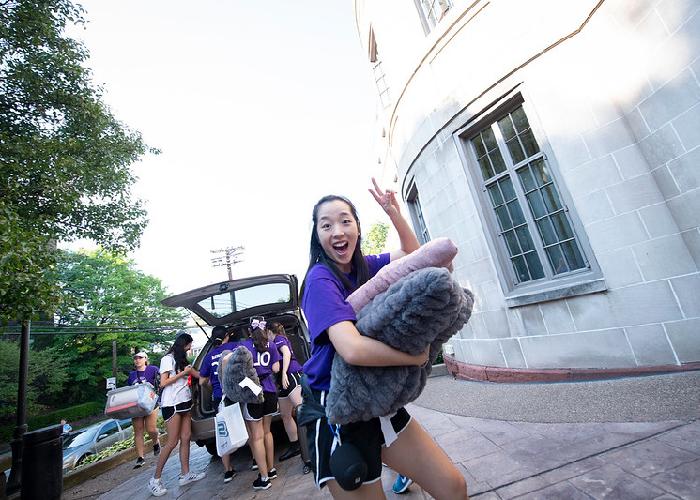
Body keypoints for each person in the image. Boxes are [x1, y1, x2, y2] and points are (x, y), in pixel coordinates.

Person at [299, 178, 468, 499]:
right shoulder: (319, 279)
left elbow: (415, 257)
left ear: (358, 229)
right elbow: (351, 349)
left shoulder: (365, 265)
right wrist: (416, 358)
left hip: (376, 401)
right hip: (337, 410)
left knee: (453, 487)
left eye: (345, 221)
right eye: (326, 225)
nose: (337, 231)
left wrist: (394, 212)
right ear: (317, 236)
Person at [148, 332, 205, 497]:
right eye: (189, 345)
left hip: (185, 401)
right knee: (172, 442)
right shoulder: (167, 359)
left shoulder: (182, 360)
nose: (191, 348)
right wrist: (183, 373)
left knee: (186, 437)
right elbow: (164, 382)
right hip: (171, 403)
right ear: (183, 344)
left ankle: (185, 474)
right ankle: (155, 479)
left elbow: (198, 376)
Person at [233, 317, 281, 491]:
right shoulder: (272, 345)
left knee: (256, 436)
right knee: (267, 432)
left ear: (249, 329)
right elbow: (276, 368)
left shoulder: (243, 347)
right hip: (269, 391)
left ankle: (264, 477)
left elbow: (237, 370)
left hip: (253, 393)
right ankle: (271, 468)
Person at [198, 325, 239, 483]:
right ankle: (256, 461)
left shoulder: (209, 356)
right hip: (235, 393)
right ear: (227, 336)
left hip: (218, 397)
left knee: (224, 433)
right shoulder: (234, 347)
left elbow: (202, 381)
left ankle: (228, 471)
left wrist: (214, 386)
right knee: (247, 425)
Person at [267, 322, 304, 463]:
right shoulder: (271, 343)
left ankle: (312, 440)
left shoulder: (279, 339)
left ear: (270, 331)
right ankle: (295, 445)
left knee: (302, 409)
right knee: (285, 415)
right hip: (282, 380)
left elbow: (287, 354)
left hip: (291, 375)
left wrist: (283, 374)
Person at [127, 351, 161, 469]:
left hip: (151, 403)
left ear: (145, 359)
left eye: (140, 358)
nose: (137, 360)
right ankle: (140, 457)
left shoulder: (153, 369)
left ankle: (156, 441)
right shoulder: (132, 375)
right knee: (138, 431)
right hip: (137, 406)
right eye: (135, 358)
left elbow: (159, 383)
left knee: (151, 428)